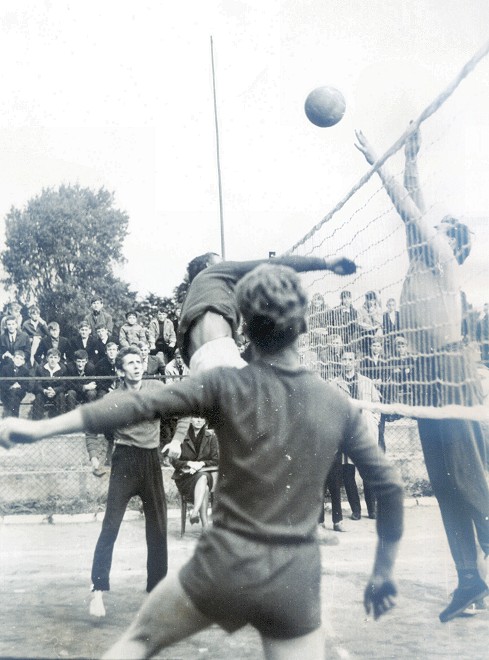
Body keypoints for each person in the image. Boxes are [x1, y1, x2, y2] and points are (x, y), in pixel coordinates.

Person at [0, 264, 403, 659]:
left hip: (224, 566)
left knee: (139, 640)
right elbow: (389, 486)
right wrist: (383, 572)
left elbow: (136, 403)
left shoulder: (226, 384)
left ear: (244, 329)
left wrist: (38, 429)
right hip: (292, 580)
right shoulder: (336, 402)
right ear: (303, 325)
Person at [355, 126, 489, 620]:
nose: (429, 229)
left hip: (452, 369)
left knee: (470, 476)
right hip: (422, 374)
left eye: (439, 228)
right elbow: (416, 207)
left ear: (449, 242)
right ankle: (470, 579)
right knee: (445, 482)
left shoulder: (443, 261)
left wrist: (378, 162)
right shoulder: (419, 260)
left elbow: (411, 211)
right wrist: (411, 161)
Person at [333, 350, 381, 520]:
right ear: (340, 362)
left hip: (364, 432)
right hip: (346, 432)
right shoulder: (334, 384)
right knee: (348, 472)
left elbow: (376, 404)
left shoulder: (367, 383)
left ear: (355, 362)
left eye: (350, 359)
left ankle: (372, 509)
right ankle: (356, 510)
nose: (347, 362)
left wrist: (373, 420)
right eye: (344, 359)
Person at [171, 417, 219, 530]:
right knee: (205, 488)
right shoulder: (181, 436)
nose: (199, 420)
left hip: (204, 474)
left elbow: (215, 460)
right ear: (190, 419)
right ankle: (204, 524)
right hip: (185, 477)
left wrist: (201, 464)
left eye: (202, 417)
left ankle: (195, 513)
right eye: (196, 417)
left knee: (203, 477)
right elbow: (174, 461)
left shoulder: (211, 437)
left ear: (205, 420)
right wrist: (189, 463)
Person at [31, 348, 67, 419]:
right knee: (38, 397)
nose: (53, 360)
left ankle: (61, 423)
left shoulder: (63, 368)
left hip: (56, 393)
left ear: (59, 359)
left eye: (55, 357)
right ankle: (36, 424)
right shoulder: (40, 368)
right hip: (44, 392)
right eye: (51, 357)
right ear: (47, 358)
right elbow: (37, 384)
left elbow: (64, 385)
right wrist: (44, 391)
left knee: (61, 396)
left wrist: (55, 390)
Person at [0, 350, 31, 418]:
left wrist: (19, 386)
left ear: (23, 362)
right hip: (7, 391)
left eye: (21, 359)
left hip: (19, 392)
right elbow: (2, 382)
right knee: (14, 397)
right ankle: (14, 418)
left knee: (15, 395)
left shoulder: (25, 371)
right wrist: (11, 386)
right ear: (13, 358)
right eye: (17, 358)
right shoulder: (5, 368)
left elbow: (26, 385)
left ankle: (10, 417)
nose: (18, 360)